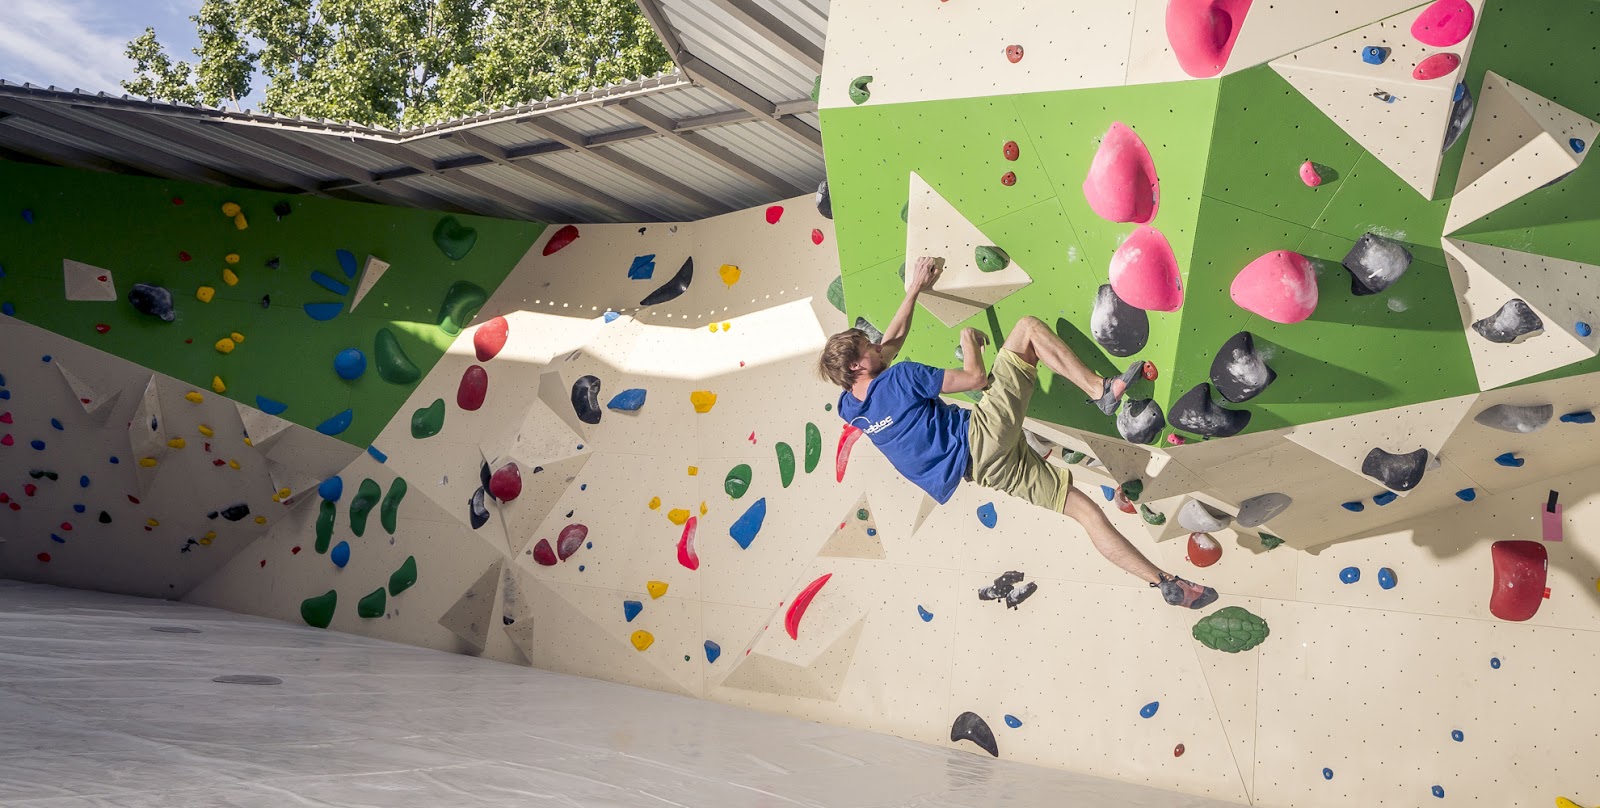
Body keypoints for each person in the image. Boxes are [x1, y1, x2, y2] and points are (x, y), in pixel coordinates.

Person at [817, 256, 1218, 610]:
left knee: (1086, 512)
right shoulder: (902, 378)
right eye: (865, 346)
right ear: (856, 365)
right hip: (981, 435)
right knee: (1026, 329)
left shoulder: (851, 407)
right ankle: (1100, 392)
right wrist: (968, 340)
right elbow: (975, 377)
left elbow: (891, 341)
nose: (875, 344)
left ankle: (1166, 583)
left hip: (983, 471)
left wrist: (915, 291)